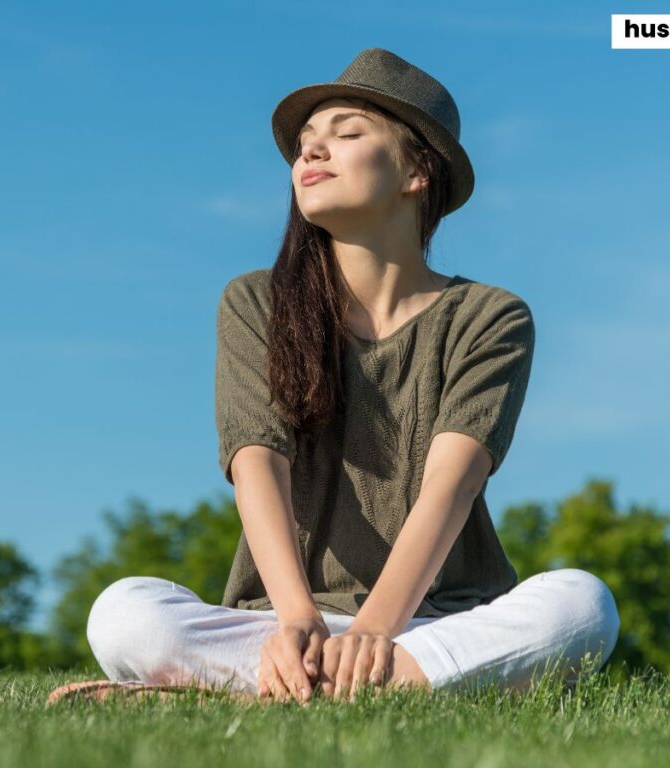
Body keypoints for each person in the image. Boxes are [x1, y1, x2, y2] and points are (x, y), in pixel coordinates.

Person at [81, 48, 620, 705]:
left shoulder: (489, 316)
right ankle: (389, 690)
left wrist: (375, 630)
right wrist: (297, 618)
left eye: (347, 135)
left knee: (582, 604)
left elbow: (452, 484)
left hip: (431, 624)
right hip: (283, 625)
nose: (312, 154)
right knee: (125, 611)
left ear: (418, 170)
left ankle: (260, 696)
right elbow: (256, 463)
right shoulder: (257, 303)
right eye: (306, 144)